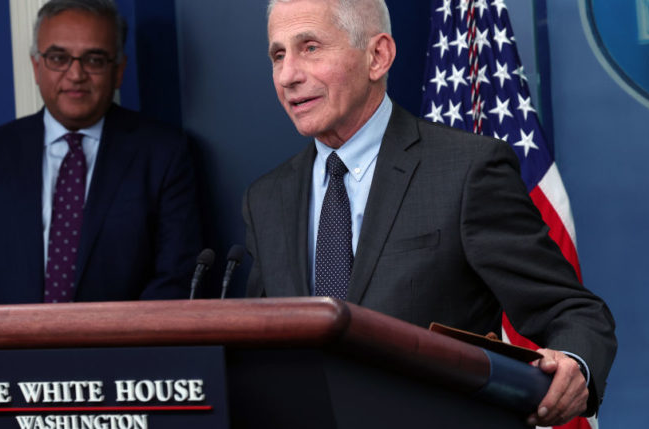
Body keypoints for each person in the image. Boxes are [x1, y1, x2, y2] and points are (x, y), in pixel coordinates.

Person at [242, 0, 616, 425]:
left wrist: (574, 363)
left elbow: (572, 310)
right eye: (278, 55)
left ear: (377, 56)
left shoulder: (466, 171)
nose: (288, 75)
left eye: (310, 48)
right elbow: (260, 346)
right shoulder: (266, 199)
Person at [0, 0, 201, 305]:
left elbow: (177, 277)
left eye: (94, 59)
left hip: (128, 337)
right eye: (58, 58)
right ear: (36, 67)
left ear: (118, 71)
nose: (76, 74)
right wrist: (9, 336)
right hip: (5, 337)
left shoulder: (164, 153)